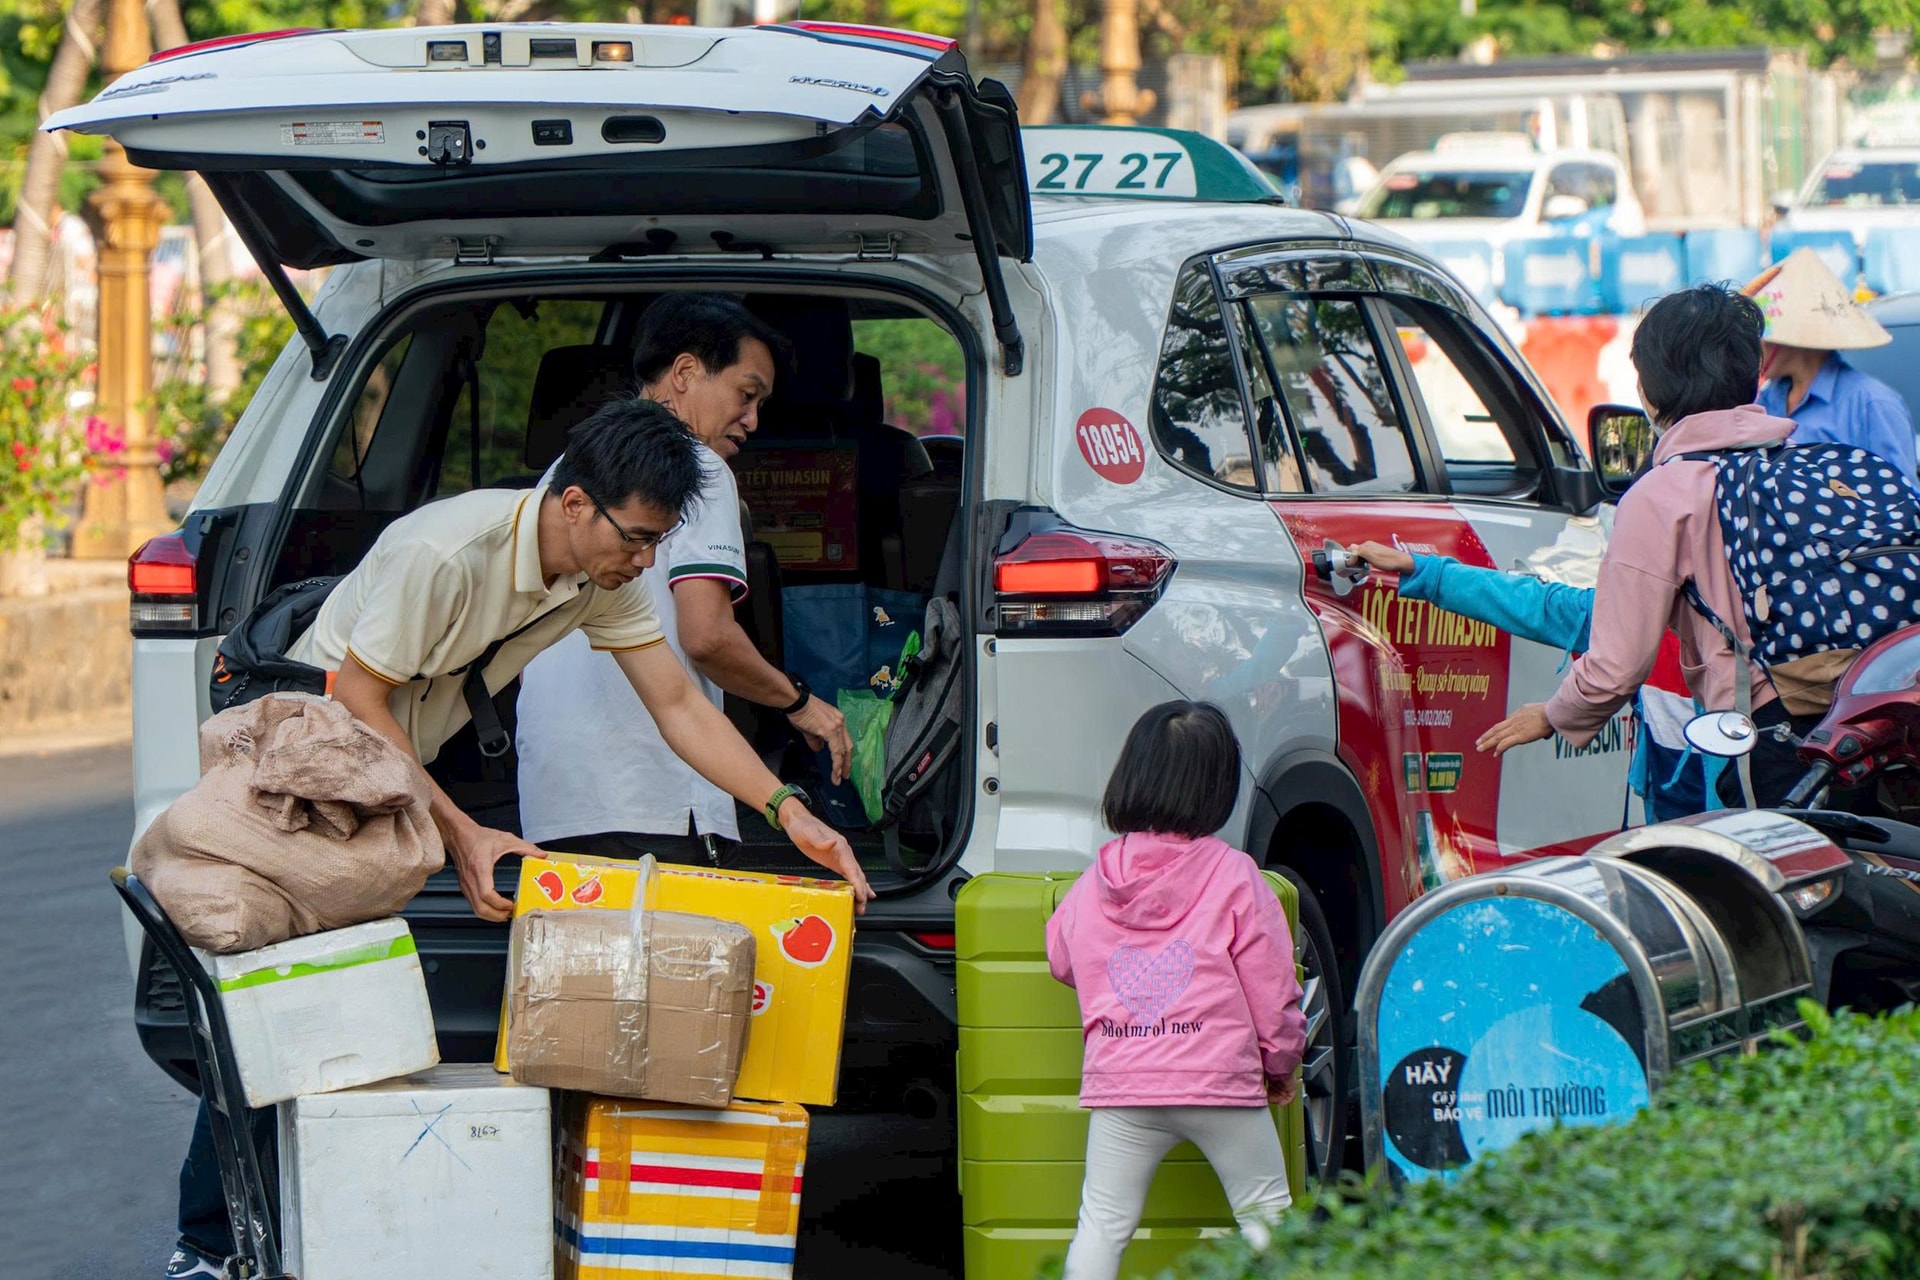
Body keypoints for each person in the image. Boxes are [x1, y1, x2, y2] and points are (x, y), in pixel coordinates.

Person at [166, 397, 872, 1279]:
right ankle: (206, 1243)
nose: (644, 561)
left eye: (657, 543)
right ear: (575, 503)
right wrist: (463, 832)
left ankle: (309, 1241)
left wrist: (789, 811)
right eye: (636, 538)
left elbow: (680, 705)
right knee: (282, 1005)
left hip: (381, 774)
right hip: (303, 768)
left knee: (345, 1014)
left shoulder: (599, 581)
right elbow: (358, 699)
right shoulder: (448, 552)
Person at [516, 294, 854, 865]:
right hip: (658, 795)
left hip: (554, 798)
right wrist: (801, 704)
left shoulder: (563, 475)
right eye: (746, 394)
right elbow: (707, 636)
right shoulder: (697, 468)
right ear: (686, 372)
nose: (753, 420)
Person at [1472, 284, 1805, 803]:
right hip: (1850, 725)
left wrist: (1553, 714)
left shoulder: (1662, 494)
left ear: (1650, 390)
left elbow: (1617, 666)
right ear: (1752, 377)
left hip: (1760, 741)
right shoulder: (1805, 468)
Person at [1045, 701, 1305, 1280]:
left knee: (1102, 1224)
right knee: (1267, 1215)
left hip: (1123, 1085)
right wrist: (1279, 1063)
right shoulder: (1235, 875)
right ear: (1217, 786)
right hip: (1219, 1081)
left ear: (1131, 774)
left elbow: (1062, 959)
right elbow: (1272, 990)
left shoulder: (1094, 881)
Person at [1347, 541, 1722, 822]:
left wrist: (1552, 714)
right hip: (1674, 830)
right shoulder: (1629, 612)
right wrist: (1422, 569)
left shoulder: (1741, 634)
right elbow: (1534, 604)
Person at [1749, 247, 1917, 485]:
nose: (1754, 349)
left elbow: (1899, 495)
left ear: (1790, 341)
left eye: (1761, 338)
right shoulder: (1766, 400)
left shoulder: (1871, 404)